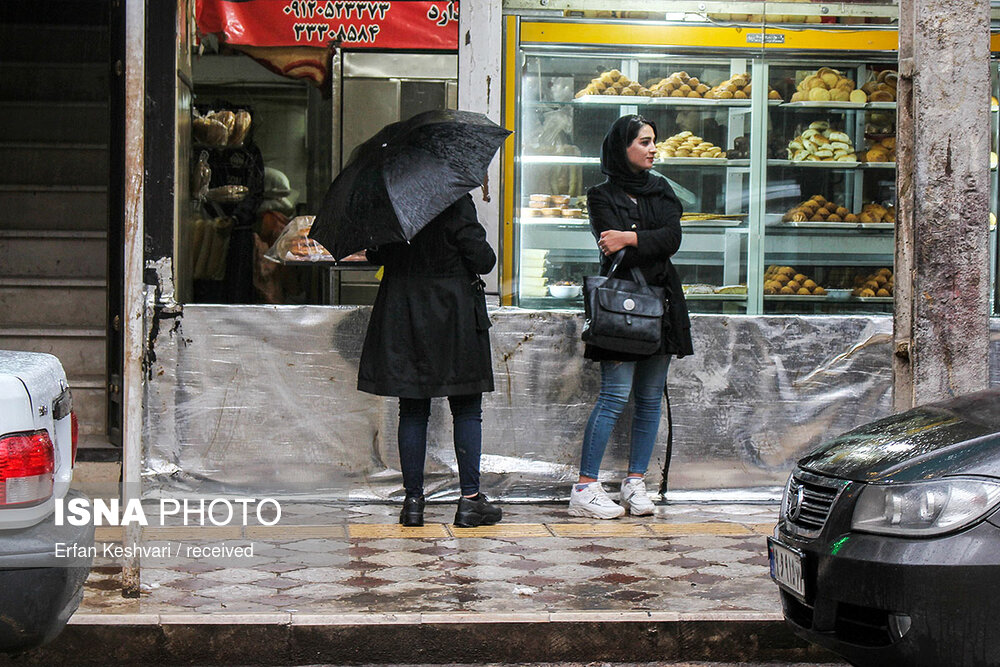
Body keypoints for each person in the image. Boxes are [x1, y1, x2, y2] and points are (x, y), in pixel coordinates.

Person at [569, 114, 694, 519]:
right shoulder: (600, 195)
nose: (653, 148)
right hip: (622, 306)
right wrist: (636, 239)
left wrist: (633, 235)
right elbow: (610, 244)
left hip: (663, 306)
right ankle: (585, 487)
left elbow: (672, 240)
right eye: (643, 142)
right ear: (622, 149)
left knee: (648, 400)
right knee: (614, 396)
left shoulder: (662, 189)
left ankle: (635, 482)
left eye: (654, 141)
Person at [359, 193, 502, 529]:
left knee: (412, 407)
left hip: (404, 311)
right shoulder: (455, 201)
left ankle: (413, 502)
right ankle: (469, 502)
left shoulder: (392, 202)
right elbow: (483, 260)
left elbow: (374, 253)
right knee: (466, 406)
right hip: (453, 313)